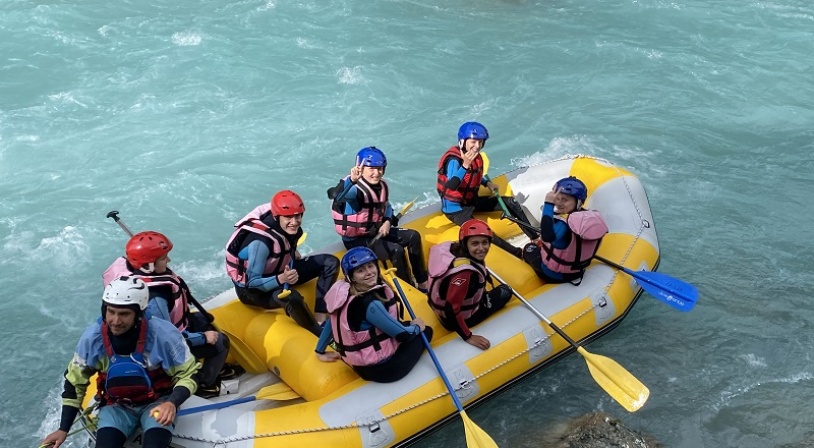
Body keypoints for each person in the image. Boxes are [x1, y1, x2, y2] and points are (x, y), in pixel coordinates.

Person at [41, 277, 199, 448]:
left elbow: (189, 374)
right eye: (111, 312)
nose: (115, 321)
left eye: (124, 314)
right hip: (117, 406)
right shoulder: (92, 339)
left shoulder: (164, 335)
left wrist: (172, 403)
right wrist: (63, 429)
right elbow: (74, 382)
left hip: (159, 402)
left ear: (139, 314)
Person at [103, 231, 233, 399]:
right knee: (220, 342)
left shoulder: (132, 271)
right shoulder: (154, 300)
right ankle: (204, 385)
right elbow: (167, 340)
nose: (169, 261)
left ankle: (214, 366)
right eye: (164, 258)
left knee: (202, 321)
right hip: (155, 351)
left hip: (162, 332)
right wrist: (202, 338)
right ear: (148, 266)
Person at [226, 190, 339, 336]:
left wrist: (291, 252)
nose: (295, 221)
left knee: (330, 263)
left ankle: (320, 318)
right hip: (253, 291)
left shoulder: (287, 227)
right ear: (276, 216)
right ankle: (317, 333)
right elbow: (252, 284)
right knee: (292, 297)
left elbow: (285, 242)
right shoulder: (260, 243)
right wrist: (281, 279)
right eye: (288, 217)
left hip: (280, 271)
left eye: (298, 216)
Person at [314, 247, 433, 383]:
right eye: (361, 270)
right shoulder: (370, 304)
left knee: (405, 325)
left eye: (370, 266)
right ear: (351, 276)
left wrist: (320, 351)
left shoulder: (343, 295)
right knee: (426, 332)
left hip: (359, 365)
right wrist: (418, 327)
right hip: (383, 369)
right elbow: (404, 336)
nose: (369, 273)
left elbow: (332, 323)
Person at [328, 146, 429, 291]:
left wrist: (387, 221)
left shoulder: (379, 186)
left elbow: (386, 206)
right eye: (372, 169)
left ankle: (422, 283)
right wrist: (351, 180)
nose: (377, 173)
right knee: (397, 251)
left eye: (380, 168)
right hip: (357, 240)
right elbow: (336, 196)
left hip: (375, 232)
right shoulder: (354, 190)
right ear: (360, 169)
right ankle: (408, 289)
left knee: (413, 236)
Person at [436, 121, 538, 257]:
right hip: (456, 208)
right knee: (482, 231)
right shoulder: (454, 160)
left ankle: (535, 238)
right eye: (473, 142)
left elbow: (473, 175)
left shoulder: (475, 157)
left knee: (511, 203)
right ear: (462, 141)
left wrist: (487, 183)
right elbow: (452, 184)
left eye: (480, 142)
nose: (477, 146)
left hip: (472, 200)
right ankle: (518, 254)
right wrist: (465, 165)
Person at [426, 219, 513, 350]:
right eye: (475, 244)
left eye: (485, 243)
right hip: (457, 319)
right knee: (506, 290)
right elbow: (451, 308)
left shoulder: (451, 250)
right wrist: (468, 336)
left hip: (440, 307)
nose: (481, 248)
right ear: (465, 244)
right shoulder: (464, 274)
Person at [521, 176, 609, 285]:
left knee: (529, 248)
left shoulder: (563, 224)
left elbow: (547, 236)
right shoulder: (589, 217)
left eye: (565, 200)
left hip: (554, 274)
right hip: (578, 270)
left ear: (578, 202)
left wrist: (549, 204)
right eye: (557, 199)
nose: (559, 203)